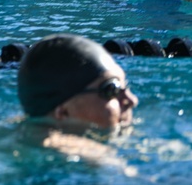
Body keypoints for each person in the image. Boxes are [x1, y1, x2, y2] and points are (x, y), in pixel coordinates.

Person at [16, 33, 138, 172]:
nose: (132, 100)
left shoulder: (5, 133)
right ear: (63, 112)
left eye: (125, 85)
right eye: (112, 89)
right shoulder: (95, 159)